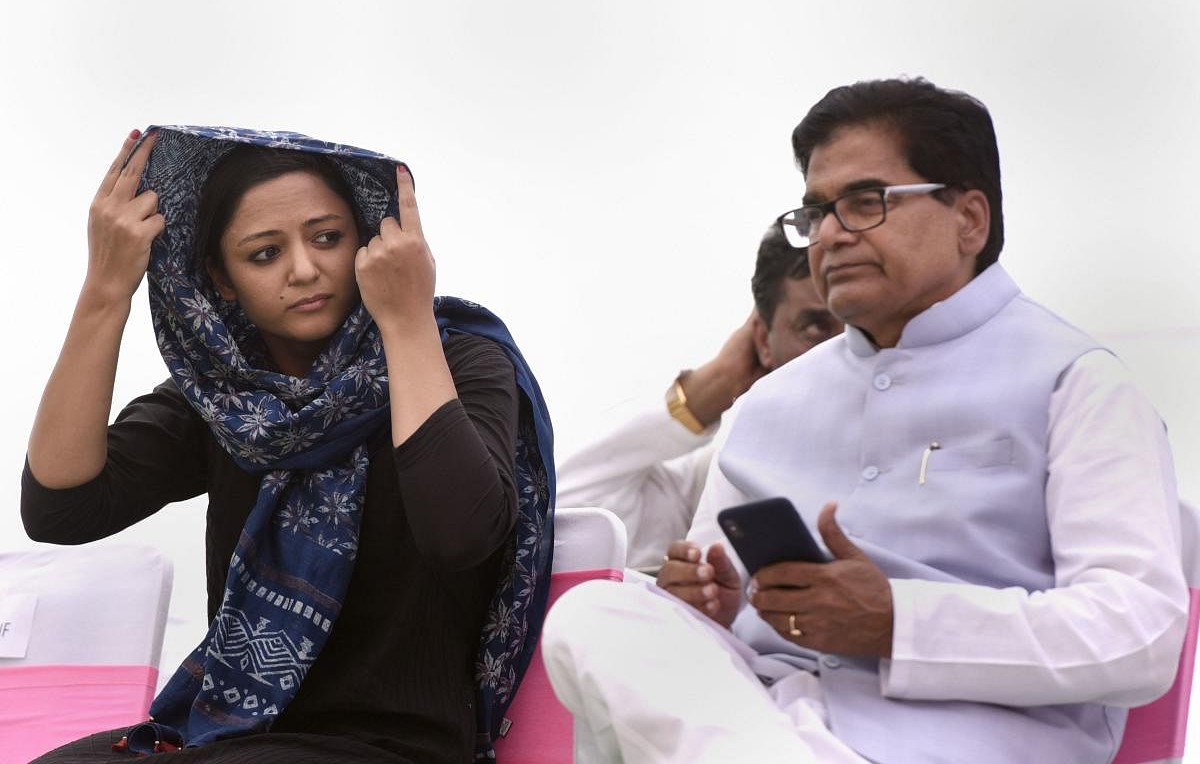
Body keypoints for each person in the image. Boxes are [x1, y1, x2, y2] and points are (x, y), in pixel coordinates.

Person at [540, 78, 1189, 764]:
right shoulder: (770, 405)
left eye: (864, 203)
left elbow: (1139, 633)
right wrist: (710, 606)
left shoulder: (1076, 383)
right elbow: (705, 621)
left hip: (968, 747)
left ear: (969, 218)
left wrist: (898, 623)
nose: (829, 235)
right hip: (764, 728)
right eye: (816, 212)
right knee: (597, 616)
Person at [21, 126, 554, 763]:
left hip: (394, 748)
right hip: (235, 739)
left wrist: (407, 320)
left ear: (369, 241)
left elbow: (460, 533)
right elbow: (61, 505)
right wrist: (105, 292)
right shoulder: (232, 400)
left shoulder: (458, 358)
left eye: (327, 238)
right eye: (265, 254)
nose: (304, 269)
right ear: (222, 278)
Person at [556, 226, 841, 571]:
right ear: (763, 341)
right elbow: (568, 525)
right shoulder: (724, 471)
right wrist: (713, 386)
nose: (842, 351)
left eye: (858, 328)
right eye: (815, 329)